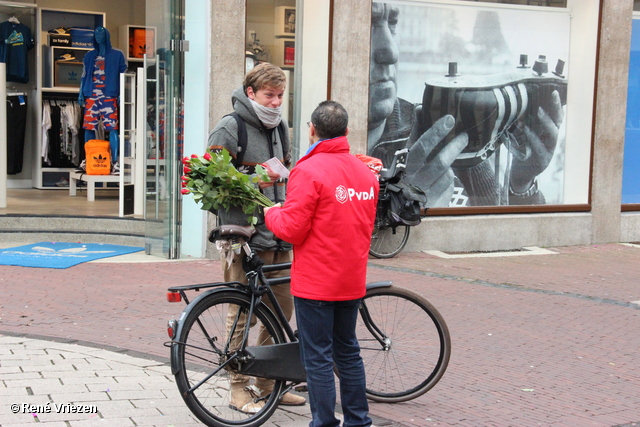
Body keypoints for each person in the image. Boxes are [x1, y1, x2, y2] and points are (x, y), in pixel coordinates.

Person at [368, 3, 564, 207]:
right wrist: (399, 216)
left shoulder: (450, 137)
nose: (391, 53)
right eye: (369, 24)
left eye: (392, 23)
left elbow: (502, 230)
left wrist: (521, 186)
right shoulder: (445, 135)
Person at [264, 101, 378, 427]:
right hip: (351, 277)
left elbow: (292, 230)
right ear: (346, 131)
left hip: (316, 280)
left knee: (317, 358)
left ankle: (324, 423)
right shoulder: (364, 173)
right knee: (348, 352)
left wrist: (271, 212)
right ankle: (358, 421)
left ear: (312, 130)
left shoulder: (308, 171)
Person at [207, 62, 306, 413]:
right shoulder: (229, 127)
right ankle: (237, 387)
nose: (277, 102)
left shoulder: (281, 126)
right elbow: (210, 181)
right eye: (270, 95)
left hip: (279, 234)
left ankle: (268, 384)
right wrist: (254, 181)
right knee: (241, 313)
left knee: (280, 310)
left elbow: (287, 167)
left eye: (281, 96)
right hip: (244, 237)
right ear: (251, 93)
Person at [77, 27, 126, 174]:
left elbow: (123, 75)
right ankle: (88, 159)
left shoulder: (117, 55)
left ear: (107, 35)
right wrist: (81, 93)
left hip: (109, 96)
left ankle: (115, 162)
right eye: (96, 33)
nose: (98, 36)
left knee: (112, 128)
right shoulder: (90, 55)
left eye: (101, 33)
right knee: (88, 127)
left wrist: (122, 93)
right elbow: (84, 75)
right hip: (91, 95)